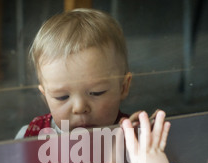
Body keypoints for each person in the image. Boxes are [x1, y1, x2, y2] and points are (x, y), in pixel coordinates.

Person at [15, 8, 133, 139]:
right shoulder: (31, 137)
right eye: (62, 97)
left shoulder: (137, 135)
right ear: (45, 96)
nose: (79, 108)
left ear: (123, 87)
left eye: (96, 92)